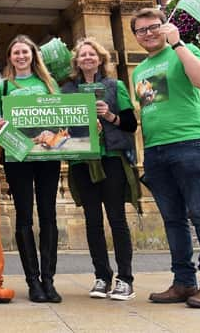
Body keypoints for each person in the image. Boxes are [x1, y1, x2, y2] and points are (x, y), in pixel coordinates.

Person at [131, 8, 200, 308]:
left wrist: (178, 44)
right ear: (135, 36)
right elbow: (150, 109)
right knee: (173, 220)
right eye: (141, 30)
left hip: (191, 143)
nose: (148, 33)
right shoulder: (139, 71)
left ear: (165, 27)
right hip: (155, 150)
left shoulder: (184, 50)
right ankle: (183, 282)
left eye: (154, 27)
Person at [62, 37, 139, 301]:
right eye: (83, 55)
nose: (87, 58)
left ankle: (125, 279)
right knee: (92, 221)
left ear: (100, 59)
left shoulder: (115, 86)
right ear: (76, 61)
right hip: (83, 160)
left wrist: (109, 115)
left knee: (116, 219)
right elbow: (60, 124)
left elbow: (130, 124)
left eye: (92, 55)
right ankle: (102, 276)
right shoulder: (68, 91)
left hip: (111, 157)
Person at [0, 35, 62, 303]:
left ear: (33, 55)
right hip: (17, 154)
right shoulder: (3, 86)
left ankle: (49, 280)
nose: (21, 56)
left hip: (47, 157)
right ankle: (32, 281)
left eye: (25, 52)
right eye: (15, 53)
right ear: (9, 57)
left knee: (48, 215)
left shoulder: (48, 83)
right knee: (24, 216)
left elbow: (60, 113)